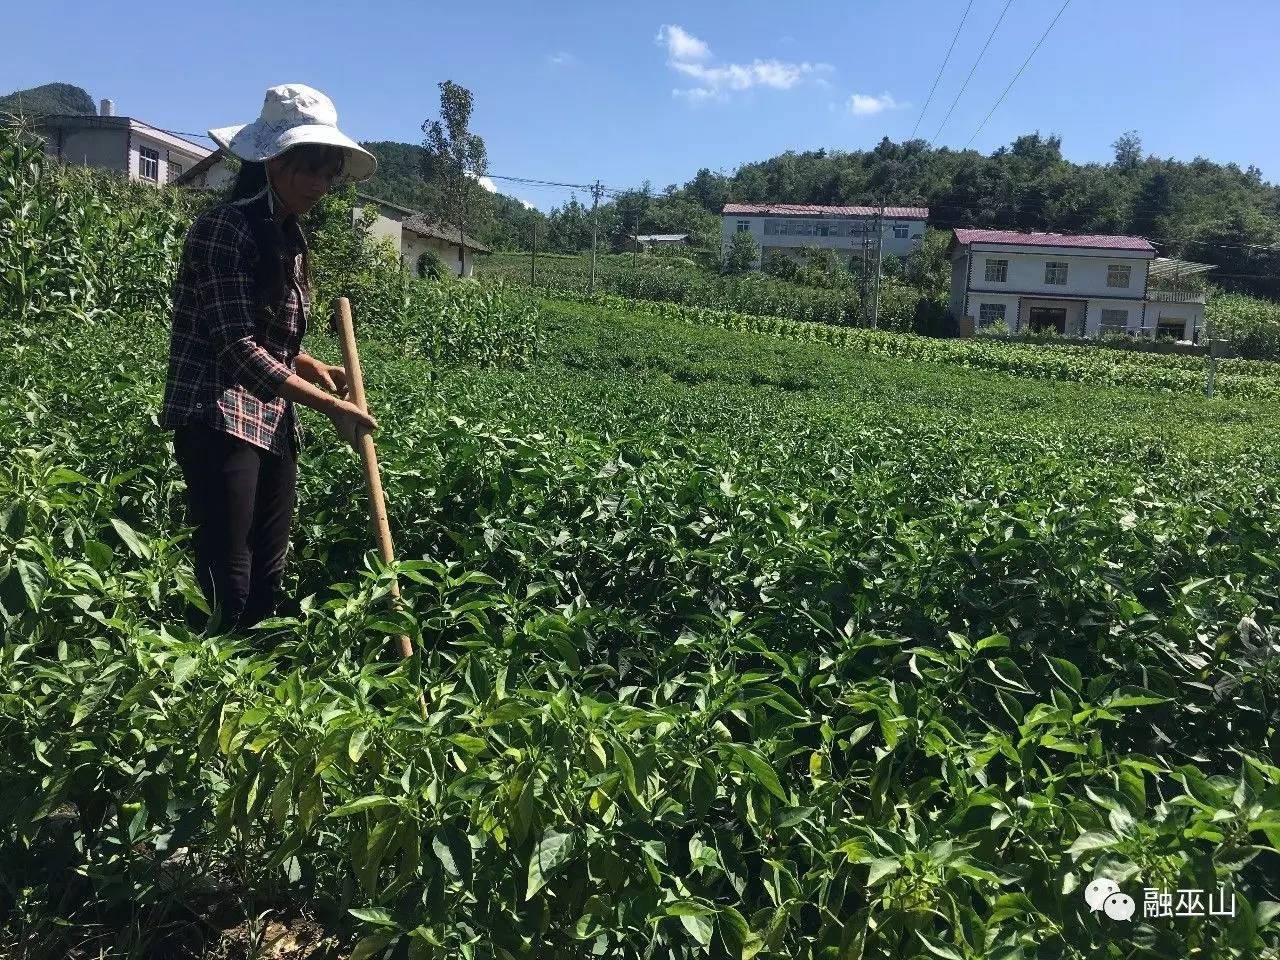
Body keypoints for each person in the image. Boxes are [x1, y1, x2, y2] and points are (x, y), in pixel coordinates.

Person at [161, 83, 379, 634]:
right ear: (272, 162)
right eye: (308, 168)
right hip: (217, 414)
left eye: (328, 173)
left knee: (268, 574)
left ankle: (249, 696)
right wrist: (330, 407)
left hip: (273, 417)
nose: (319, 185)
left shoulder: (291, 237)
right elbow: (236, 348)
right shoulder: (222, 229)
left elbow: (272, 336)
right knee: (227, 579)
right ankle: (201, 689)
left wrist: (314, 368)